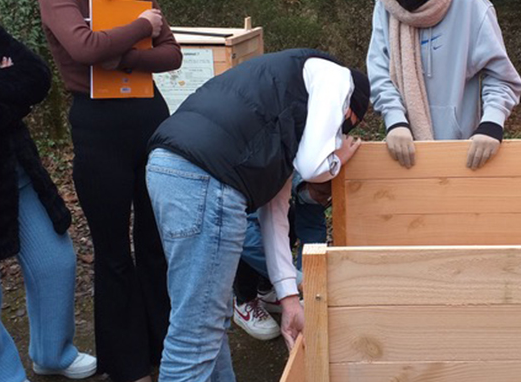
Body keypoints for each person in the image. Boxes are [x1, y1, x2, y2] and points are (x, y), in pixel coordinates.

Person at [145, 48, 370, 381]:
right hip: (207, 177)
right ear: (348, 110)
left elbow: (274, 217)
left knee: (206, 319)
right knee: (194, 340)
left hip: (169, 167)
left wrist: (290, 300)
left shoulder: (278, 112)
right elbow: (314, 164)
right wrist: (337, 159)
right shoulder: (335, 76)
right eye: (342, 128)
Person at [38, 0, 182, 382]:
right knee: (114, 250)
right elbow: (81, 48)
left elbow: (173, 55)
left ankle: (166, 349)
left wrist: (113, 53)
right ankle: (128, 364)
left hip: (149, 120)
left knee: (156, 243)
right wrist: (142, 30)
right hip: (98, 128)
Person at [368, 0, 521, 169]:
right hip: (406, 151)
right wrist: (395, 120)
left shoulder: (469, 2)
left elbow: (501, 76)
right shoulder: (385, 5)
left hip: (463, 152)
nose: (404, 1)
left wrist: (492, 123)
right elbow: (379, 69)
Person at [0, 21, 96, 382]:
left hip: (17, 176)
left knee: (57, 263)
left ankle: (52, 355)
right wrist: (9, 91)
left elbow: (36, 76)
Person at [232, 174, 330, 341]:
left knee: (289, 216)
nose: (325, 200)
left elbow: (311, 229)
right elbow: (241, 233)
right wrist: (295, 280)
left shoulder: (321, 177)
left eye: (329, 200)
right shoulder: (270, 168)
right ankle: (244, 300)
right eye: (322, 195)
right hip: (234, 205)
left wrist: (308, 277)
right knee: (248, 238)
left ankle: (267, 290)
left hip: (290, 186)